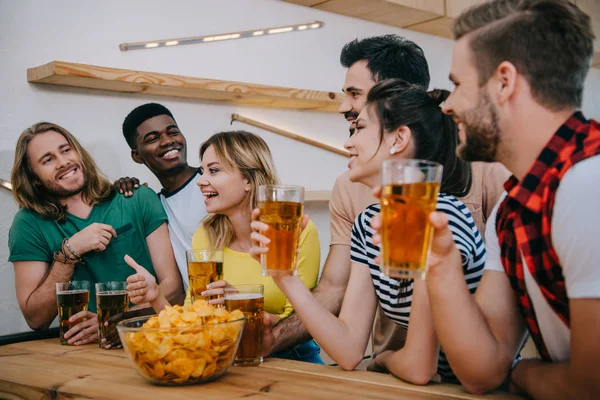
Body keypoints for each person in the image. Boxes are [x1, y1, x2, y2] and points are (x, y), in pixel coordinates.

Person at [381, 0, 599, 398]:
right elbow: (481, 370)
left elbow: (589, 385)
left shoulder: (589, 185)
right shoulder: (511, 210)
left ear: (504, 81)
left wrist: (525, 374)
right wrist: (441, 261)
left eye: (459, 84)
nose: (447, 105)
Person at [264, 34, 509, 367]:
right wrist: (283, 275)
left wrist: (385, 361)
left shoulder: (446, 205)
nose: (344, 110)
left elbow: (427, 365)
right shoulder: (366, 215)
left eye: (355, 97)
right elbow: (345, 328)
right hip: (399, 374)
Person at [126, 130, 324, 363]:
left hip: (290, 359)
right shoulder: (206, 235)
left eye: (214, 170)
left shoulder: (295, 233)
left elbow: (302, 322)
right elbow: (193, 321)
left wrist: (242, 305)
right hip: (227, 360)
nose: (200, 181)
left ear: (248, 180)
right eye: (202, 172)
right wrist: (156, 296)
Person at [8, 122, 183, 345]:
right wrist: (69, 252)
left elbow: (174, 288)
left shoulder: (137, 198)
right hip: (81, 355)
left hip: (150, 339)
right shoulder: (28, 224)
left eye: (66, 150)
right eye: (48, 159)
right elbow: (36, 319)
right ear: (34, 177)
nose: (64, 162)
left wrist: (111, 323)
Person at [121, 103, 206, 289]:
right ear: (137, 156)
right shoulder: (156, 204)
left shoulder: (211, 183)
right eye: (152, 138)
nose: (168, 141)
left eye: (173, 132)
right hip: (197, 311)